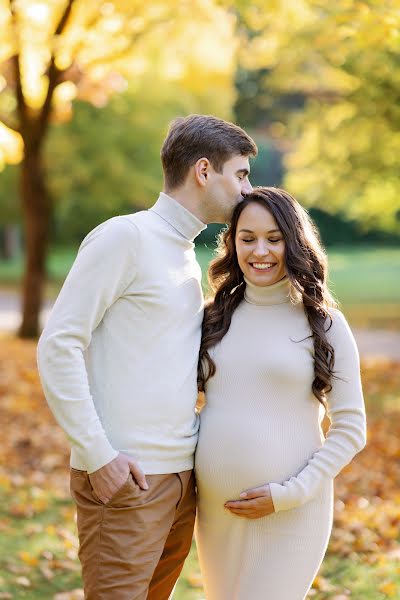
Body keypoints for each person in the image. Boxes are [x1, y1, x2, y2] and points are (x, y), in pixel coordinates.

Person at [37, 114, 257, 599]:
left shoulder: (183, 251)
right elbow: (59, 344)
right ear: (204, 170)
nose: (247, 189)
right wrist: (98, 456)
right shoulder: (125, 238)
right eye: (240, 174)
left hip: (181, 478)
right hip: (127, 477)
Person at [195, 187, 367, 600]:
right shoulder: (210, 317)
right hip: (216, 514)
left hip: (291, 511)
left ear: (294, 241)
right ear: (232, 241)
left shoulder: (323, 323)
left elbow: (352, 428)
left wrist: (288, 494)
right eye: (247, 237)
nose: (261, 251)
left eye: (274, 238)